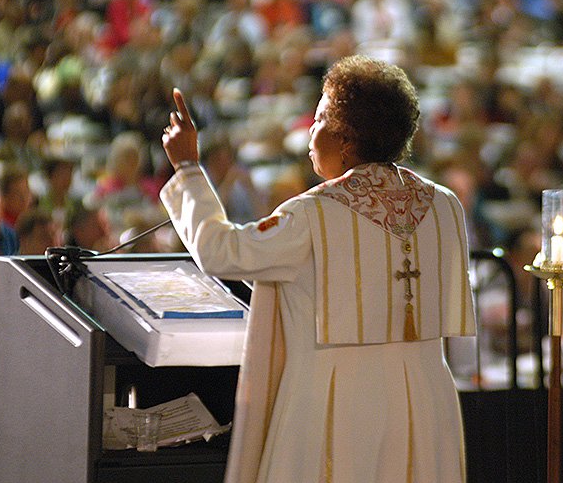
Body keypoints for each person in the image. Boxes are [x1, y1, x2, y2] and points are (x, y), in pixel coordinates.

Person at [160, 55, 476, 483]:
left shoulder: (314, 215)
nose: (312, 129)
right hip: (425, 398)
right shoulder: (444, 205)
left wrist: (188, 169)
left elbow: (222, 250)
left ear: (347, 137)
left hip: (337, 402)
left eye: (322, 115)